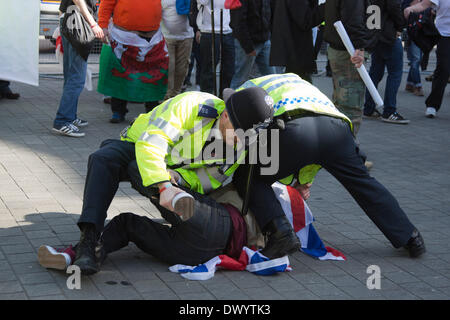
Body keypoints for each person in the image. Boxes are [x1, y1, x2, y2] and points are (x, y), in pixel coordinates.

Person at [66, 87, 293, 274]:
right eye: (241, 133)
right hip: (139, 145)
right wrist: (163, 183)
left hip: (175, 171)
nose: (243, 141)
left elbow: (209, 181)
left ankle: (117, 234)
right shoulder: (192, 105)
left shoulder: (242, 145)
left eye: (250, 136)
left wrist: (180, 180)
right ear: (226, 115)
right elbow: (152, 143)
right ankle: (89, 238)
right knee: (102, 159)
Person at [231, 73, 426, 259]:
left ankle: (281, 234)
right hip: (338, 130)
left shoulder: (246, 93)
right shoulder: (297, 83)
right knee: (363, 183)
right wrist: (304, 182)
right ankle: (410, 236)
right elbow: (315, 152)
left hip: (294, 130)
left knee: (252, 177)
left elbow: (244, 126)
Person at [96, 0, 168, 123]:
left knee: (153, 76)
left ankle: (152, 110)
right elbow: (106, 4)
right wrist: (103, 25)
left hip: (153, 38)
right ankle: (118, 111)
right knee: (120, 75)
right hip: (122, 36)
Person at [324, 0, 374, 169]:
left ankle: (335, 151)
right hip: (348, 50)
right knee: (350, 106)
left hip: (340, 48)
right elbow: (353, 19)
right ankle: (347, 156)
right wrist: (360, 46)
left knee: (341, 104)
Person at [52, 0, 104, 137]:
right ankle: (62, 120)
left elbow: (63, 7)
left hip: (70, 24)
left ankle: (69, 117)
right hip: (78, 25)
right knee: (76, 79)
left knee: (71, 77)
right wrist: (93, 23)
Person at [363, 0, 410, 124]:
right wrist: (400, 26)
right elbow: (394, 7)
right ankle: (389, 111)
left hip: (374, 34)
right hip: (388, 35)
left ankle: (369, 108)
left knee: (375, 73)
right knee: (395, 73)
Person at [405, 0, 450, 118]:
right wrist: (411, 9)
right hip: (445, 35)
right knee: (443, 69)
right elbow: (424, 4)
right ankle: (432, 105)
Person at [269, 0, 325, 83]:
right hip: (294, 52)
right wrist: (327, 6)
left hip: (289, 50)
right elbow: (306, 20)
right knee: (299, 88)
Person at [229, 0, 275, 89]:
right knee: (241, 78)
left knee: (271, 78)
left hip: (264, 40)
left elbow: (269, 13)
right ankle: (231, 101)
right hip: (248, 42)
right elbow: (238, 22)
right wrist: (248, 47)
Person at [195, 0, 235, 95]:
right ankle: (207, 100)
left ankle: (224, 99)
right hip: (208, 30)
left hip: (227, 30)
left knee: (229, 69)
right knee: (209, 69)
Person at [161, 0, 195, 99]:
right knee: (169, 68)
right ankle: (166, 97)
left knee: (182, 68)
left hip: (186, 36)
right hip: (166, 36)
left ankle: (175, 96)